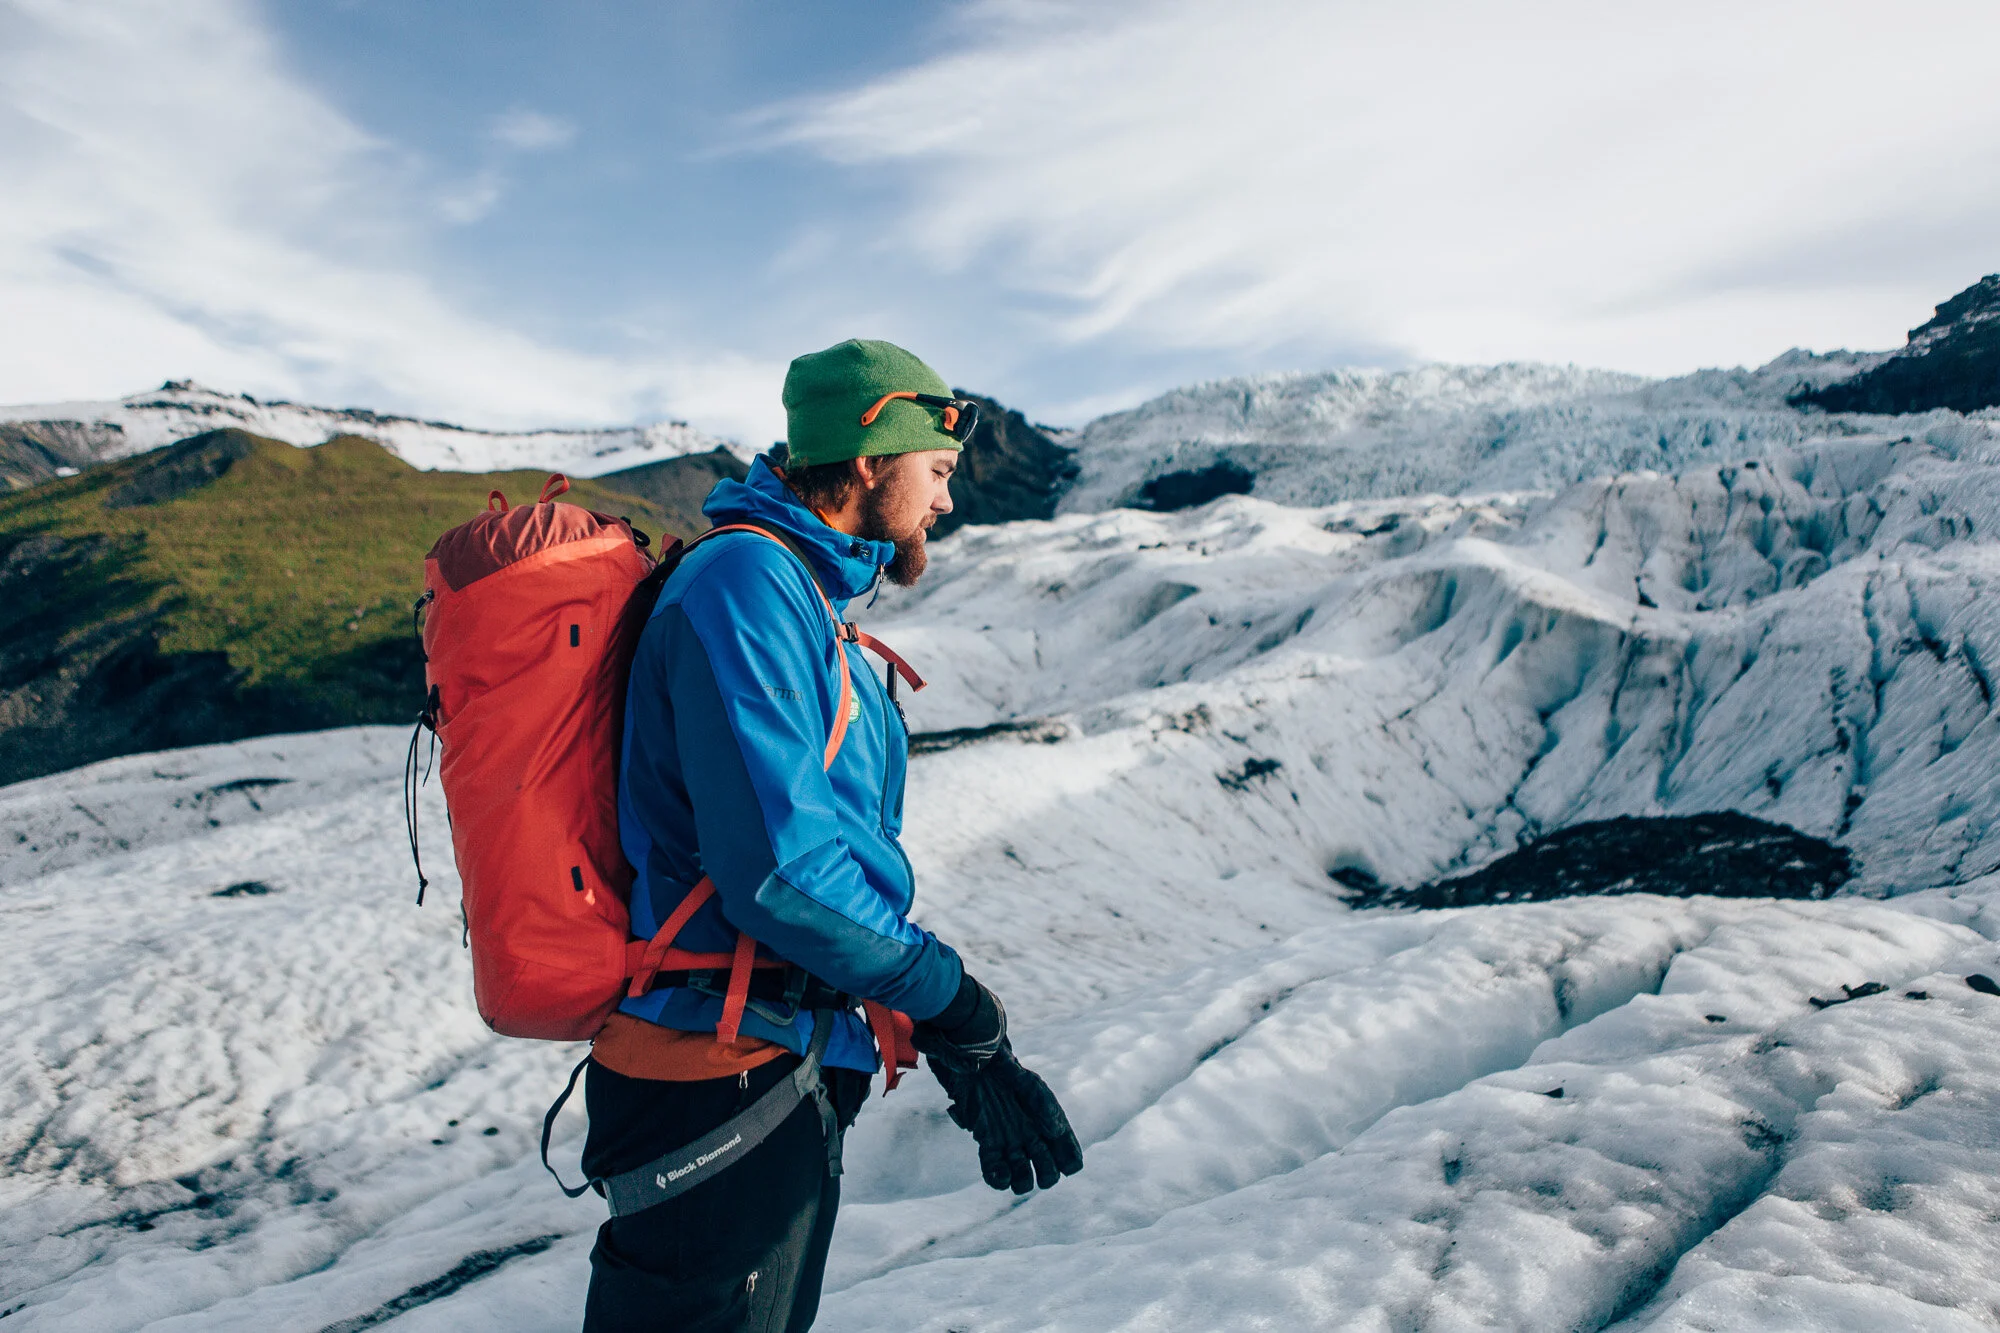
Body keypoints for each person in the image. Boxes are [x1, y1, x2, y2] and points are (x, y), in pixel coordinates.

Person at [581, 339, 1083, 1331]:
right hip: (717, 1076)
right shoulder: (746, 587)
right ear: (868, 459)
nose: (944, 502)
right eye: (936, 472)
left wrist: (933, 1030)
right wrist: (951, 1000)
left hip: (766, 1062)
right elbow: (779, 873)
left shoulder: (795, 596)